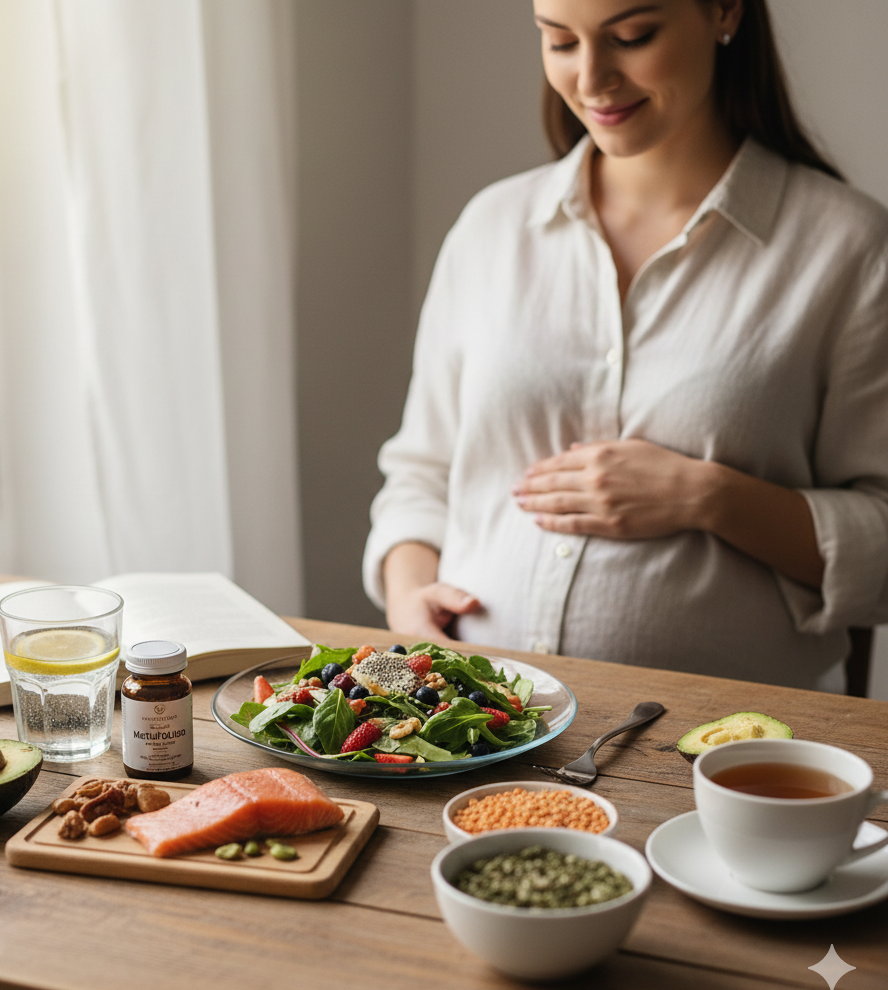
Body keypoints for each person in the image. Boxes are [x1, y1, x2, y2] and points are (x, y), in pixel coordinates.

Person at [362, 0, 888, 689]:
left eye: (632, 37)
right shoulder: (490, 229)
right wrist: (408, 599)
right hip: (478, 720)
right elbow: (421, 474)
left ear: (724, 11)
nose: (591, 80)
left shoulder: (849, 248)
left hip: (723, 740)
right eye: (559, 42)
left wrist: (709, 496)